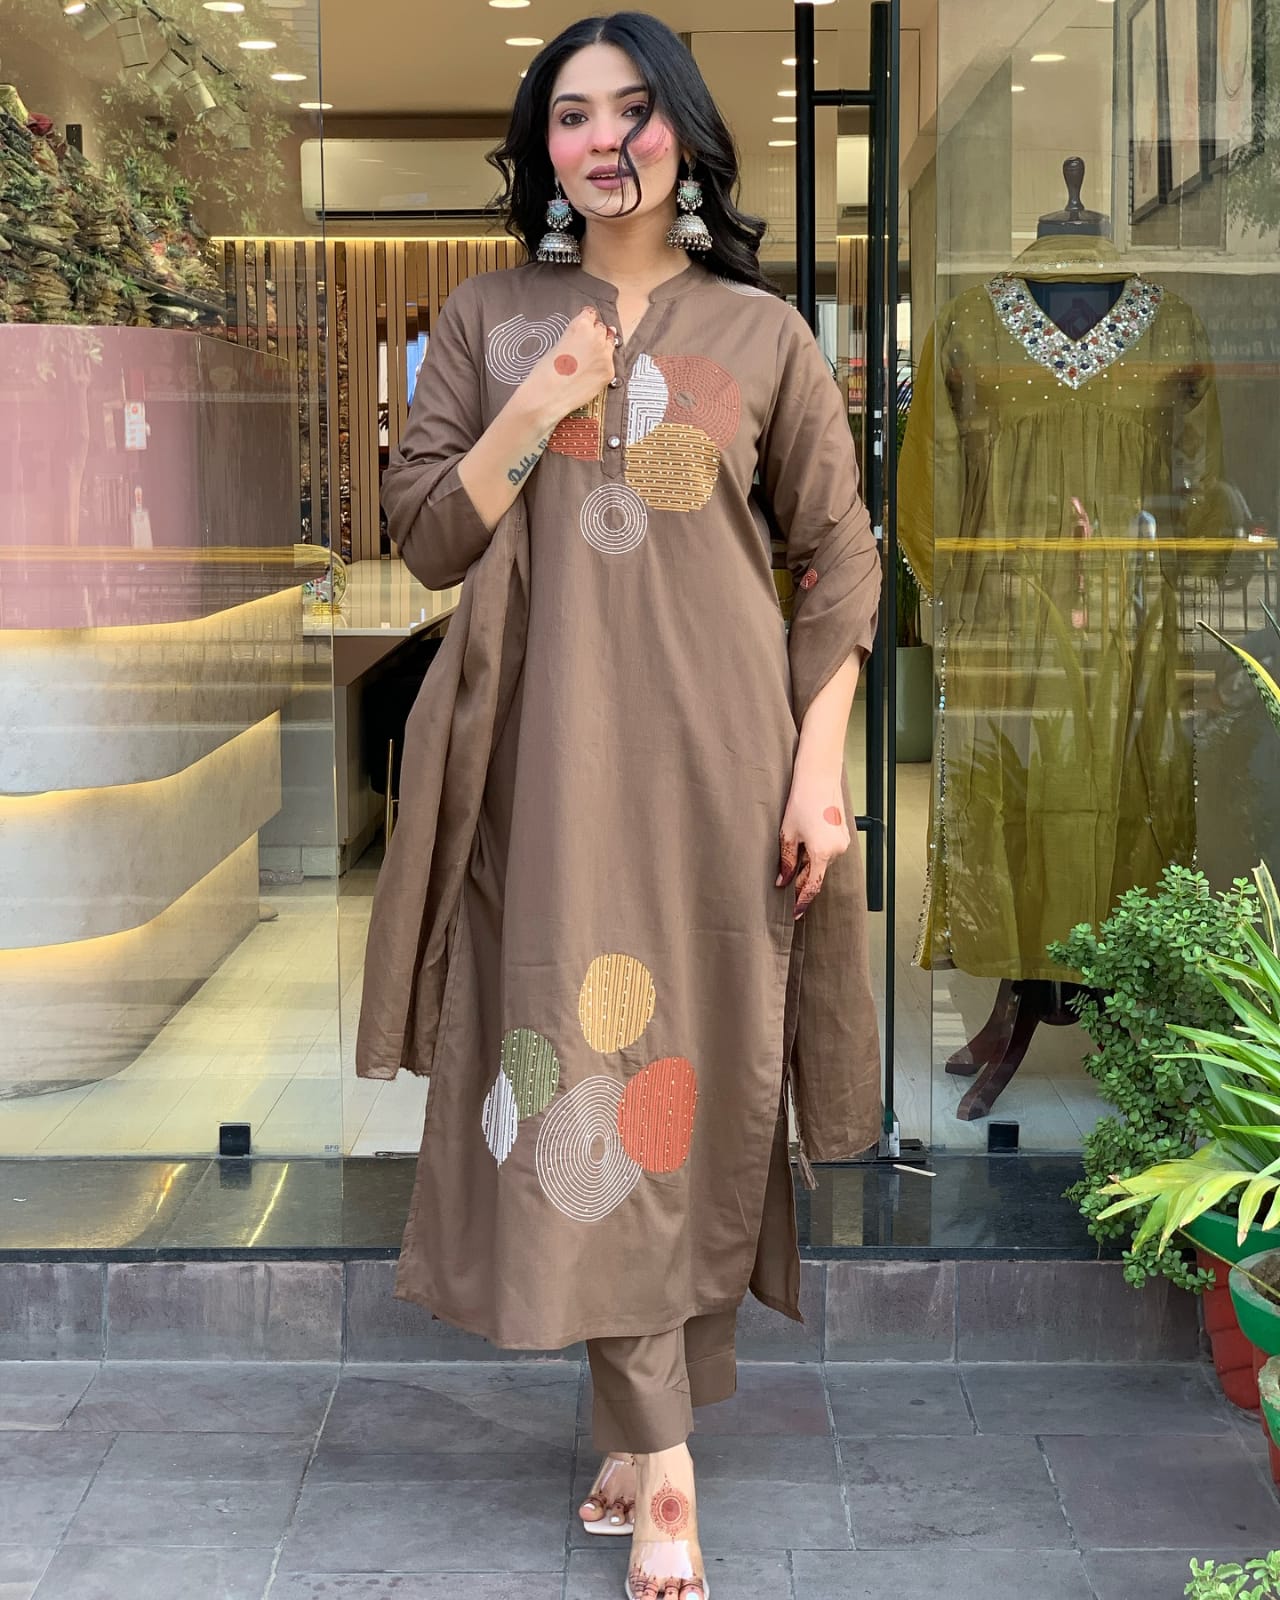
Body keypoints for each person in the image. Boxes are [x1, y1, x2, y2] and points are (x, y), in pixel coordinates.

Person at [356, 13, 882, 1599]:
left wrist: (819, 768)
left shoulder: (762, 335)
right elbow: (426, 538)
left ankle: (633, 1429)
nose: (604, 140)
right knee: (586, 1071)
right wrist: (536, 408)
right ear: (545, 150)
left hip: (723, 764)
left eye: (633, 110)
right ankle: (665, 1465)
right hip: (545, 768)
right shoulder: (486, 318)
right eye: (572, 115)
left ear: (686, 133)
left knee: (693, 1080)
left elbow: (840, 558)